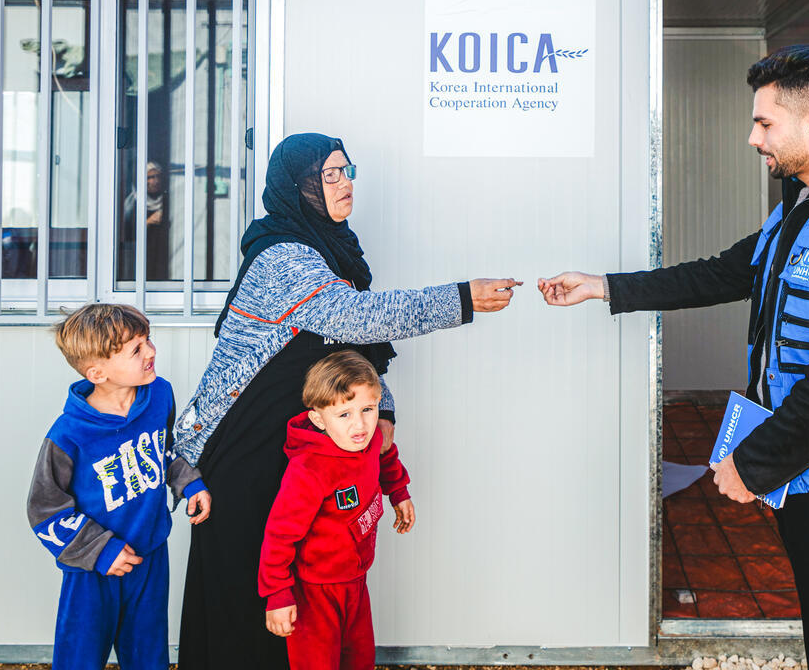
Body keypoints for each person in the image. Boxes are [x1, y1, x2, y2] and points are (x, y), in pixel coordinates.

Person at [538, 44, 809, 670]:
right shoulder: (802, 208)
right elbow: (721, 273)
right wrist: (603, 286)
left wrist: (756, 462)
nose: (753, 138)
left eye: (764, 122)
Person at [174, 132, 518, 670]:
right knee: (248, 585)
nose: (343, 183)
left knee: (295, 594)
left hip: (297, 444)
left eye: (346, 170)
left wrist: (382, 409)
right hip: (247, 445)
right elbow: (352, 318)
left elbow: (348, 353)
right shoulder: (283, 254)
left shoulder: (331, 250)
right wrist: (462, 298)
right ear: (299, 188)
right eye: (327, 175)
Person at [26, 303, 212, 670]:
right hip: (92, 570)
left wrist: (188, 483)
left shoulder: (160, 396)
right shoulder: (68, 435)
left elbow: (164, 450)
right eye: (136, 349)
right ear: (97, 372)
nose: (151, 352)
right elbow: (44, 509)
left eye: (148, 340)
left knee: (148, 656)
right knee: (80, 659)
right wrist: (99, 550)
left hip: (149, 555)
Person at [258, 351, 414, 670]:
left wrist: (398, 492)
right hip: (315, 591)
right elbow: (279, 535)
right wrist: (277, 595)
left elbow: (385, 456)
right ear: (319, 418)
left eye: (367, 409)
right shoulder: (309, 471)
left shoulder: (369, 439)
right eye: (344, 414)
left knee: (358, 659)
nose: (359, 424)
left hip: (356, 579)